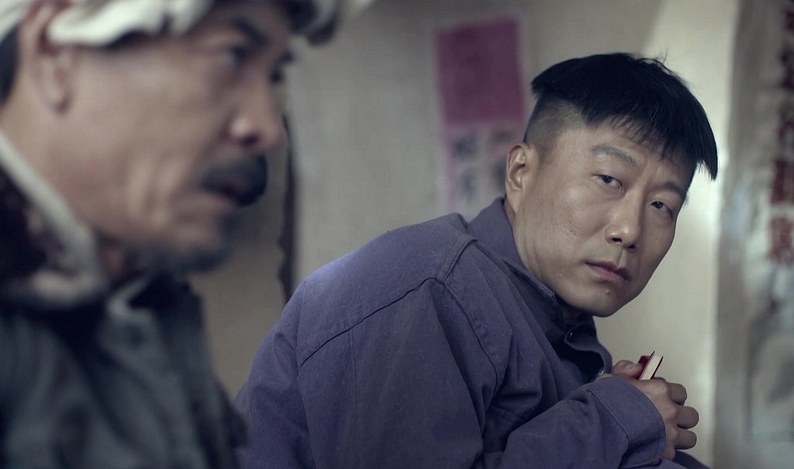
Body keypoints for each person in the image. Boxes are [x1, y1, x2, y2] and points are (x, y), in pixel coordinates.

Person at [236, 52, 719, 468]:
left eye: (662, 206)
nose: (629, 231)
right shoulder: (429, 286)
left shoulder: (548, 317)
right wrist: (615, 419)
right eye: (609, 180)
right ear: (521, 172)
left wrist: (625, 416)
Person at [0, 0, 341, 467]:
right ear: (53, 52)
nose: (265, 127)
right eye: (231, 55)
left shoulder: (136, 309)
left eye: (273, 75)